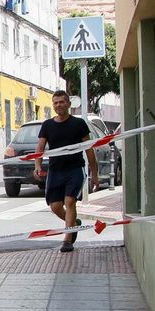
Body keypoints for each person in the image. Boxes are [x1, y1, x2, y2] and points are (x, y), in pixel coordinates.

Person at [32, 90, 99, 252]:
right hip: (55, 171)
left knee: (69, 202)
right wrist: (37, 165)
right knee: (55, 206)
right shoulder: (47, 125)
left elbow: (89, 149)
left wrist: (94, 174)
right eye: (56, 102)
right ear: (53, 105)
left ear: (68, 104)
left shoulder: (79, 124)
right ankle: (73, 225)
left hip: (74, 169)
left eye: (62, 102)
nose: (59, 105)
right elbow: (40, 147)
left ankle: (67, 240)